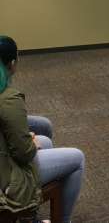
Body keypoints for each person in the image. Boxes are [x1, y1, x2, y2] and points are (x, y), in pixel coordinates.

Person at [0, 36, 84, 223]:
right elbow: (23, 154)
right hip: (5, 178)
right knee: (78, 158)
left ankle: (31, 216)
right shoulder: (8, 99)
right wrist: (30, 142)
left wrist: (27, 137)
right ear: (12, 63)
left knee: (45, 139)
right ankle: (62, 220)